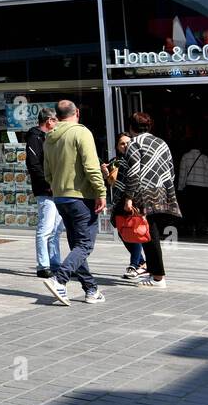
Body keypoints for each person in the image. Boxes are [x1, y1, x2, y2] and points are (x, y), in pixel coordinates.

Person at [41, 100, 107, 305]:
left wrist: (59, 186)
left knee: (77, 244)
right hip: (81, 196)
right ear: (77, 112)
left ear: (57, 116)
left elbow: (48, 173)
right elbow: (91, 166)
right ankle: (59, 279)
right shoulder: (81, 132)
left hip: (60, 197)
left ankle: (90, 289)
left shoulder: (49, 137)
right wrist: (101, 192)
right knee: (85, 244)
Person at [122, 113, 182, 289]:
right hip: (163, 191)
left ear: (132, 127)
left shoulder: (135, 143)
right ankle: (154, 273)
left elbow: (133, 173)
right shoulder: (161, 142)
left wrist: (128, 197)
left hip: (144, 193)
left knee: (149, 234)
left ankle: (158, 277)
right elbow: (171, 169)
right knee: (151, 232)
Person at [102, 131, 146, 280]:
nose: (125, 145)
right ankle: (141, 262)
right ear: (117, 146)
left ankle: (134, 265)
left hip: (134, 200)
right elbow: (110, 183)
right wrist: (105, 173)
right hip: (119, 202)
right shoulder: (114, 162)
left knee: (135, 232)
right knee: (124, 234)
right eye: (122, 143)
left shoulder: (137, 159)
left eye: (128, 143)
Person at [26, 107, 63, 278]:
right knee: (45, 228)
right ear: (48, 121)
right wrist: (48, 184)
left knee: (56, 229)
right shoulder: (35, 137)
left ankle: (55, 262)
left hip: (57, 188)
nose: (57, 123)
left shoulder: (51, 137)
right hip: (46, 190)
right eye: (56, 120)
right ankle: (43, 265)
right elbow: (33, 165)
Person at [177, 139, 208, 237]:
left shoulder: (185, 157)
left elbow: (182, 174)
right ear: (200, 148)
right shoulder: (205, 158)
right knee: (203, 209)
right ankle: (202, 229)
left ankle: (192, 228)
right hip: (205, 188)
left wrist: (180, 187)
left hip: (191, 187)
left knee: (191, 209)